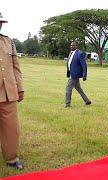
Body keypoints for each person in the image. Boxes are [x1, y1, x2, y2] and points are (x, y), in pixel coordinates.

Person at [0, 13, 24, 169]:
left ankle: (12, 158)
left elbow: (16, 67)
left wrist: (20, 88)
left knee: (11, 128)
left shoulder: (8, 41)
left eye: (0, 22)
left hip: (8, 92)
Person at [65, 42, 91, 108]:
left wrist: (84, 75)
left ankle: (67, 104)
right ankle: (87, 100)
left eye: (73, 45)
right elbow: (69, 62)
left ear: (76, 46)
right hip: (71, 73)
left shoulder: (80, 53)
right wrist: (68, 72)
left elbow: (84, 65)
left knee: (68, 88)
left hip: (75, 75)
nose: (71, 46)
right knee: (78, 88)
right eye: (71, 45)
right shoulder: (71, 53)